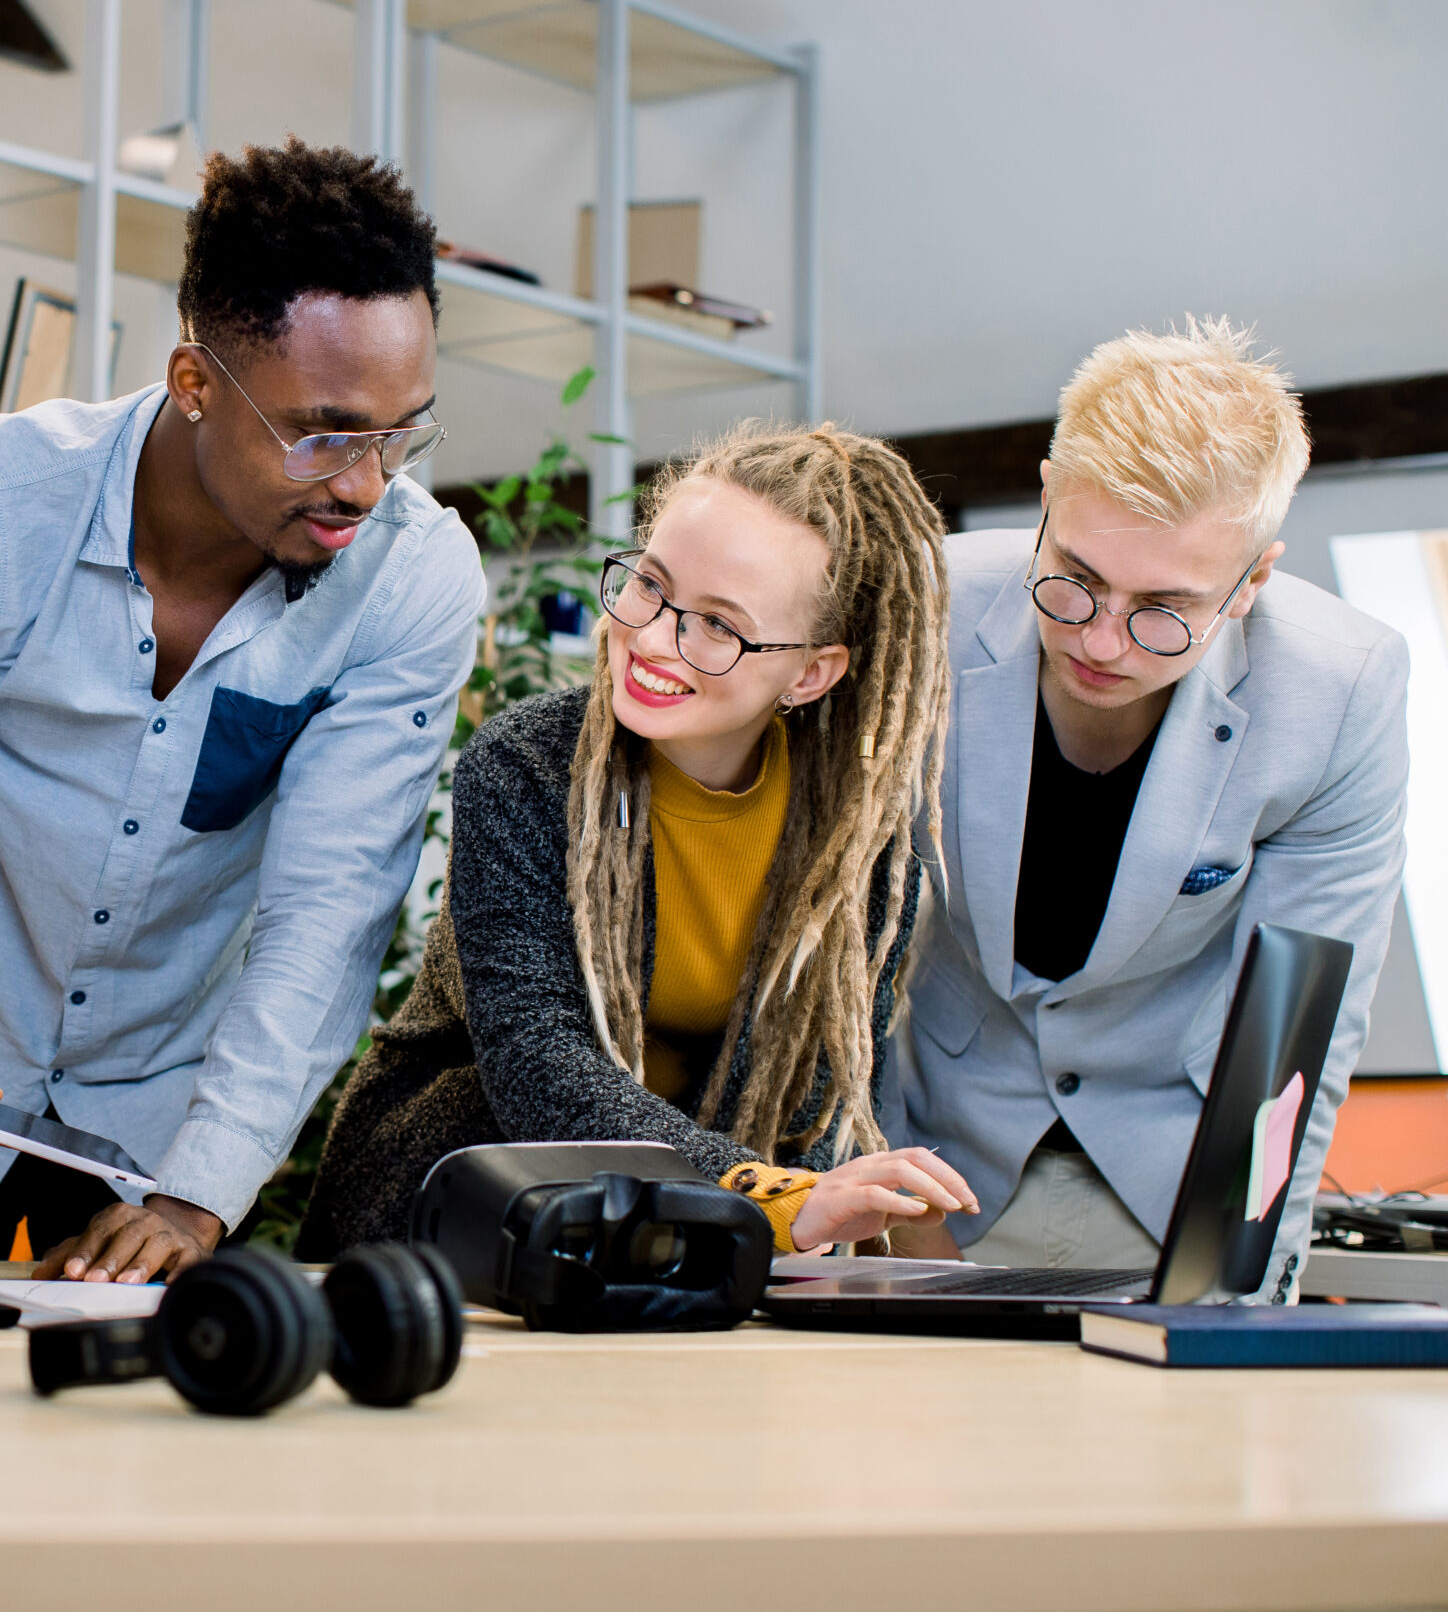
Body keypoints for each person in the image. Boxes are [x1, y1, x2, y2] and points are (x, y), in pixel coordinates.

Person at [0, 140, 486, 1283]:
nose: (364, 483)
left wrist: (198, 1196)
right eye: (321, 432)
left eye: (400, 431)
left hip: (161, 1123)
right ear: (194, 382)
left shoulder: (409, 578)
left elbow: (324, 921)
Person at [299, 426, 977, 1259]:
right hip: (460, 1211)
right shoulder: (529, 765)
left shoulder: (858, 849)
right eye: (650, 585)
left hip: (686, 1246)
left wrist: (816, 1209)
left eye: (719, 627)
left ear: (810, 673)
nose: (653, 639)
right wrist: (769, 1199)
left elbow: (814, 1109)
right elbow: (538, 1069)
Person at [886, 321, 1408, 1299]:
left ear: (1252, 580)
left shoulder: (1339, 687)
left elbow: (1294, 1028)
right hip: (937, 1144)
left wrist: (1244, 1284)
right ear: (1046, 498)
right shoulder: (926, 607)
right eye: (1074, 580)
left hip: (1166, 1171)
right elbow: (838, 943)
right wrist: (881, 1209)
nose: (1104, 640)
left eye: (1163, 607)